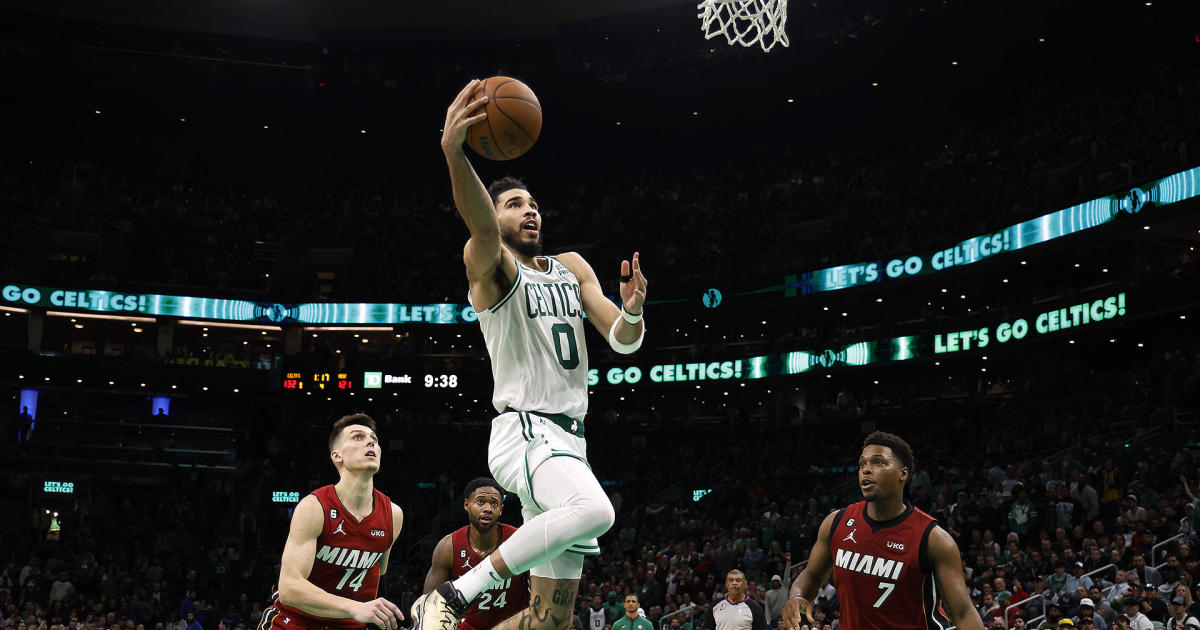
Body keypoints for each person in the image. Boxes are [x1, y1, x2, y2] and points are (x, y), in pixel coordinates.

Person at [412, 79, 649, 630]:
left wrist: (633, 311)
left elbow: (622, 339)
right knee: (597, 511)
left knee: (549, 623)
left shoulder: (572, 266)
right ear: (494, 218)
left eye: (534, 204)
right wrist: (453, 152)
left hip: (569, 442)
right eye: (515, 204)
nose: (530, 211)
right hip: (525, 431)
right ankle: (455, 594)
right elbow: (476, 220)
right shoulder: (493, 268)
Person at [781, 432, 984, 630]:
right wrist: (797, 596)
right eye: (862, 464)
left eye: (878, 462)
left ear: (903, 474)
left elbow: (963, 612)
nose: (866, 470)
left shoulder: (933, 538)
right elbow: (813, 575)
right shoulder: (836, 522)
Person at [263, 414, 405, 630]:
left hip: (349, 626)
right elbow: (289, 588)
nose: (370, 442)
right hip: (296, 622)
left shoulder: (393, 515)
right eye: (358, 437)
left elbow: (379, 569)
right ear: (337, 456)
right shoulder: (314, 507)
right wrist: (354, 607)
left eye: (374, 439)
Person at [422, 479, 529, 630]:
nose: (488, 508)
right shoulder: (448, 547)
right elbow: (429, 604)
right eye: (480, 502)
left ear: (501, 509)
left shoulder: (519, 540)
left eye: (494, 503)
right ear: (467, 505)